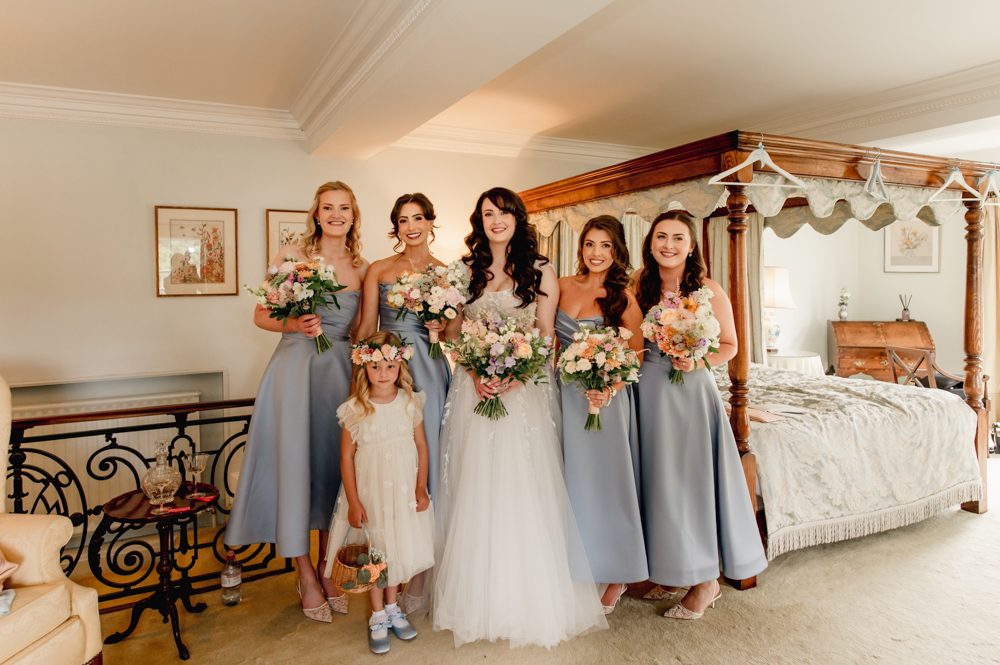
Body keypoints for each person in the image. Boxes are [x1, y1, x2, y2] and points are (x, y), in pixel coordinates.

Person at [432, 187, 607, 648]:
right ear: (479, 221)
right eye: (488, 213)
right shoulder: (464, 269)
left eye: (504, 213)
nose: (496, 220)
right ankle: (476, 595)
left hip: (524, 391)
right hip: (473, 390)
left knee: (522, 483)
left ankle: (526, 595)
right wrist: (474, 372)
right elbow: (453, 332)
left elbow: (546, 335)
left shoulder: (541, 269)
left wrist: (516, 376)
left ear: (517, 218)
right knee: (476, 482)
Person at [225, 181, 368, 623]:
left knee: (333, 471)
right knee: (294, 469)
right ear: (317, 213)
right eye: (328, 207)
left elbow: (361, 331)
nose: (336, 214)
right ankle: (304, 573)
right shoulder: (293, 257)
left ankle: (328, 570)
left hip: (339, 374)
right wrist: (295, 321)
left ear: (353, 214)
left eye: (344, 207)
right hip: (294, 371)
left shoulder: (362, 266)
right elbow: (261, 314)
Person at [631, 210, 767, 620]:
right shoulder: (639, 284)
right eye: (660, 237)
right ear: (650, 242)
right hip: (648, 389)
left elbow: (730, 345)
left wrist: (697, 360)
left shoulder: (708, 289)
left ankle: (706, 581)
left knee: (691, 484)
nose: (668, 245)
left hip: (690, 392)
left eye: (677, 238)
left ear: (691, 247)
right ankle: (673, 570)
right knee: (658, 482)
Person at [356, 193, 450, 614]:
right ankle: (390, 575)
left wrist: (440, 326)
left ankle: (423, 573)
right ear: (396, 227)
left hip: (430, 369)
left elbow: (456, 335)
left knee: (429, 464)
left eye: (417, 218)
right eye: (402, 219)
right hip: (387, 373)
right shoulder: (379, 269)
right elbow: (365, 329)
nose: (410, 226)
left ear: (432, 221)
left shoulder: (448, 273)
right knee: (393, 467)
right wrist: (362, 379)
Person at [555, 215, 647, 614]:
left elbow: (637, 354)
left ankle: (617, 572)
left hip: (604, 401)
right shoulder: (560, 286)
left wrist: (609, 389)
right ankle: (578, 565)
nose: (597, 253)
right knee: (573, 483)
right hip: (564, 396)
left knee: (608, 485)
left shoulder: (622, 296)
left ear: (617, 251)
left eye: (605, 246)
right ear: (581, 248)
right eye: (590, 244)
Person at [322, 332, 435, 654]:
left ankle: (392, 607)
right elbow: (346, 456)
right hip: (371, 491)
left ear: (400, 366)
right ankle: (376, 616)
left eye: (389, 365)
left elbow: (422, 447)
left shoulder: (410, 401)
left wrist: (420, 487)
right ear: (363, 368)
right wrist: (354, 502)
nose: (383, 373)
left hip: (403, 491)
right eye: (375, 367)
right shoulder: (355, 408)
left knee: (396, 547)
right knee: (375, 552)